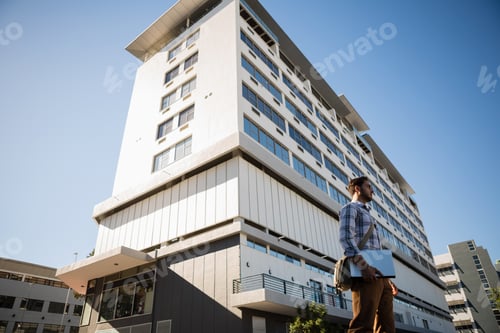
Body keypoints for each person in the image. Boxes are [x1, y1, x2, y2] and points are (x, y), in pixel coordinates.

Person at [339, 176, 398, 333]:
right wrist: (363, 266)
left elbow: (375, 249)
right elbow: (346, 239)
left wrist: (387, 279)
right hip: (364, 272)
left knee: (387, 328)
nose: (372, 190)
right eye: (368, 186)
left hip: (381, 276)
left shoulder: (369, 216)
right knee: (363, 325)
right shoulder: (350, 209)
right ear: (358, 189)